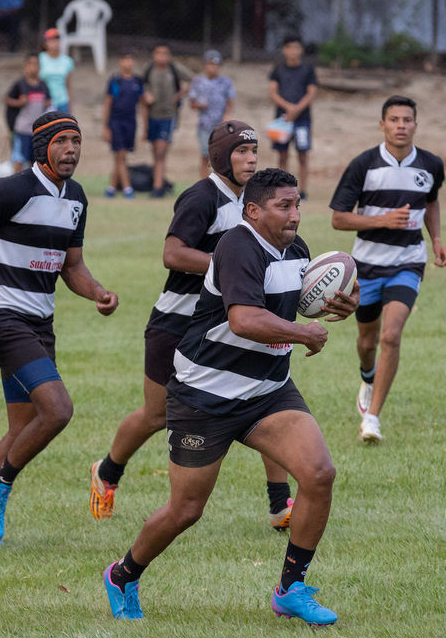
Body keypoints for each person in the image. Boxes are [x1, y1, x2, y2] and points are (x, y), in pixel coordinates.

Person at [102, 167, 357, 625]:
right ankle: (124, 574)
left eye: (298, 204)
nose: (295, 214)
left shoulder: (295, 250)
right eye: (284, 206)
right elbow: (244, 320)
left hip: (267, 392)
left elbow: (308, 295)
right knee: (186, 510)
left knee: (318, 473)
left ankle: (290, 589)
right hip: (205, 397)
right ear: (253, 211)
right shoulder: (237, 246)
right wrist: (303, 333)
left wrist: (341, 301)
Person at [90, 120, 299, 529]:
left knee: (268, 400)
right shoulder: (201, 197)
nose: (251, 158)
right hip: (175, 323)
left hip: (225, 329)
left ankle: (280, 505)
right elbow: (172, 253)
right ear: (219, 156)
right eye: (241, 151)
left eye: (254, 150)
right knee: (156, 415)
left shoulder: (256, 202)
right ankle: (108, 472)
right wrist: (232, 270)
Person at [0, 111, 118, 546]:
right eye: (62, 141)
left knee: (23, 428)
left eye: (76, 141)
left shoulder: (76, 197)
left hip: (41, 323)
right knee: (57, 410)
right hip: (2, 318)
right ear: (42, 147)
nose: (71, 149)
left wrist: (96, 291)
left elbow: (71, 266)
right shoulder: (11, 190)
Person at [329, 95, 446, 443]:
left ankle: (373, 419)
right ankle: (367, 377)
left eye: (407, 120)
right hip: (366, 265)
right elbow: (338, 218)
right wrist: (382, 219)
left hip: (408, 261)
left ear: (416, 124)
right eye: (394, 120)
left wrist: (437, 238)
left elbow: (431, 200)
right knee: (367, 340)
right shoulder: (363, 165)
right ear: (382, 124)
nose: (401, 126)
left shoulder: (431, 164)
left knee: (390, 335)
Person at [267, 36, 318, 200]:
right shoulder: (278, 69)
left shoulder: (308, 69)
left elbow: (311, 93)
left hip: (303, 119)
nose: (294, 51)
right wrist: (288, 108)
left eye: (297, 48)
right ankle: (283, 188)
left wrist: (297, 109)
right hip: (282, 120)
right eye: (290, 47)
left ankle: (303, 191)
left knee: (302, 154)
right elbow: (273, 92)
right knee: (282, 154)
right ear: (284, 50)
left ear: (301, 50)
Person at [142, 44, 193, 198]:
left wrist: (180, 94)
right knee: (155, 152)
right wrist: (146, 95)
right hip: (152, 116)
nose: (162, 56)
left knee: (161, 151)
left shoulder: (174, 68)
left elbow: (193, 80)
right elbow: (140, 86)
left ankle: (158, 187)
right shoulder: (149, 69)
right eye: (159, 53)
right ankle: (160, 182)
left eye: (165, 53)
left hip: (169, 116)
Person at [103, 50, 144, 199]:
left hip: (131, 123)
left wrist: (144, 127)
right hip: (116, 123)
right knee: (120, 154)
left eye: (131, 59)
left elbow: (143, 104)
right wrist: (106, 127)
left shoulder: (138, 81)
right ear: (120, 62)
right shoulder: (115, 81)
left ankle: (111, 188)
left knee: (121, 156)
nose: (128, 63)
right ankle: (128, 188)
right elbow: (107, 104)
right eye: (125, 59)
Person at [188, 50, 235, 180]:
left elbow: (230, 103)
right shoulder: (198, 82)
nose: (213, 67)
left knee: (221, 156)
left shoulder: (226, 82)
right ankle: (204, 182)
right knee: (205, 155)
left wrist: (226, 117)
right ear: (205, 65)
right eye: (210, 64)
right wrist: (199, 105)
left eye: (216, 64)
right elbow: (191, 103)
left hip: (220, 126)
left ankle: (221, 183)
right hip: (205, 124)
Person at [3, 53, 49, 173]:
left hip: (37, 130)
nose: (34, 67)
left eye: (37, 64)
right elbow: (7, 100)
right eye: (31, 64)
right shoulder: (20, 84)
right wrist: (20, 102)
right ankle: (15, 187)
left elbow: (48, 101)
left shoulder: (43, 85)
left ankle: (33, 187)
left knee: (34, 162)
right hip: (23, 129)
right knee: (19, 159)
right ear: (25, 66)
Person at [38, 28, 74, 114]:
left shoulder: (67, 61)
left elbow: (68, 85)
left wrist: (70, 106)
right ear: (45, 43)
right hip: (45, 101)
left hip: (62, 101)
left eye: (57, 40)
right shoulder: (39, 59)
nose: (55, 43)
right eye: (51, 40)